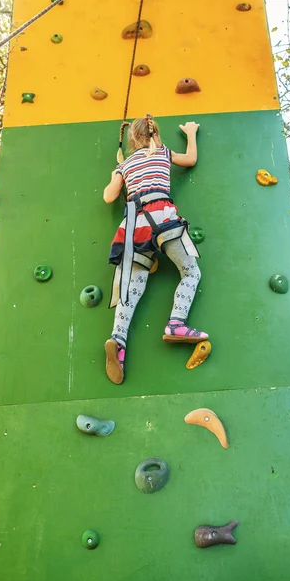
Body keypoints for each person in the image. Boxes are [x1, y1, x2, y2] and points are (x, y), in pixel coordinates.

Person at [103, 113, 208, 384]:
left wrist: (118, 172)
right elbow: (191, 159)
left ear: (131, 139)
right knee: (190, 273)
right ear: (154, 133)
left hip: (134, 226)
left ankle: (118, 339)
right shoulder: (162, 153)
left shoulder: (125, 165)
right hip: (163, 218)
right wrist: (192, 133)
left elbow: (108, 196)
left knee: (132, 285)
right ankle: (176, 323)